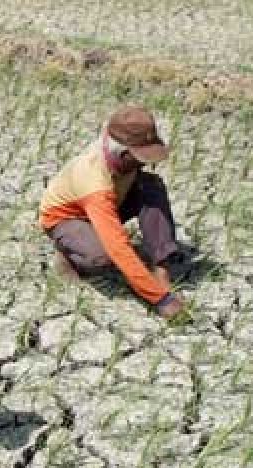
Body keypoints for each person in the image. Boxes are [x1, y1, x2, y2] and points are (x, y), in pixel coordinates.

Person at [39, 105, 187, 319]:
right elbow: (118, 247)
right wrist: (161, 300)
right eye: (140, 158)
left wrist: (160, 278)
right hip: (67, 218)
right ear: (124, 154)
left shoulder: (120, 151)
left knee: (151, 186)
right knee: (102, 255)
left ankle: (160, 269)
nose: (145, 163)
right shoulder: (93, 178)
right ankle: (68, 255)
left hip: (112, 200)